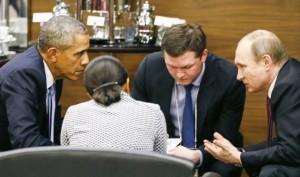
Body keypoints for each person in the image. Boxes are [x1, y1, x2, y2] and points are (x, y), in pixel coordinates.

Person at [131, 23, 246, 176]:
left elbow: (224, 136)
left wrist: (197, 155)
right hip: (163, 155)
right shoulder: (149, 67)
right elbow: (136, 120)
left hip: (214, 157)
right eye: (171, 66)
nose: (179, 75)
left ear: (203, 56)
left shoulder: (229, 78)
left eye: (187, 67)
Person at [204, 29, 300, 177]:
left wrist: (240, 158)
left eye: (243, 66)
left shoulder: (288, 86)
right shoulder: (290, 75)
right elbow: (287, 141)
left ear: (266, 62)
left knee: (272, 173)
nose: (238, 76)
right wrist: (241, 153)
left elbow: (292, 150)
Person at [0, 15, 90, 151]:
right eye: (79, 53)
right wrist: (71, 157)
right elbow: (25, 140)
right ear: (53, 54)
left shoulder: (54, 71)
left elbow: (52, 126)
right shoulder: (23, 75)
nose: (86, 60)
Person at [60, 55, 167, 153]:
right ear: (127, 84)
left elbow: (67, 160)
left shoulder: (73, 114)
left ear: (89, 94)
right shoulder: (153, 113)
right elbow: (161, 162)